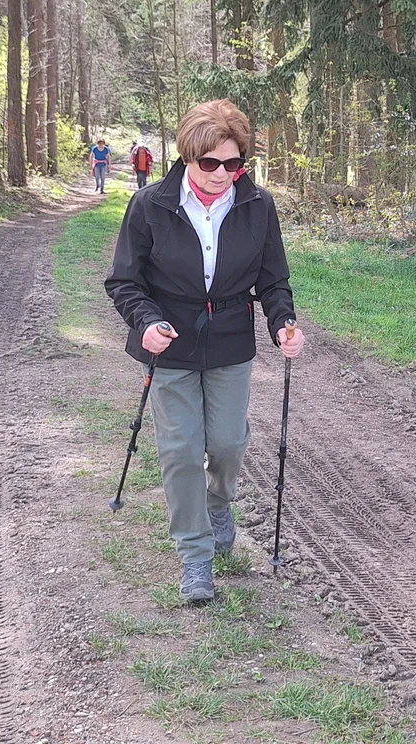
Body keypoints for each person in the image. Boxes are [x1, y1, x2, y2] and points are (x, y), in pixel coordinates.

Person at [106, 100, 305, 605]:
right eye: (210, 163)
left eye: (232, 164)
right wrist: (146, 322)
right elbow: (124, 282)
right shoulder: (150, 205)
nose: (221, 174)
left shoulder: (257, 206)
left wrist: (283, 321)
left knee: (227, 444)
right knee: (179, 450)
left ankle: (219, 502)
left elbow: (273, 279)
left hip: (230, 340)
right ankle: (196, 557)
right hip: (169, 341)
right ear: (188, 158)